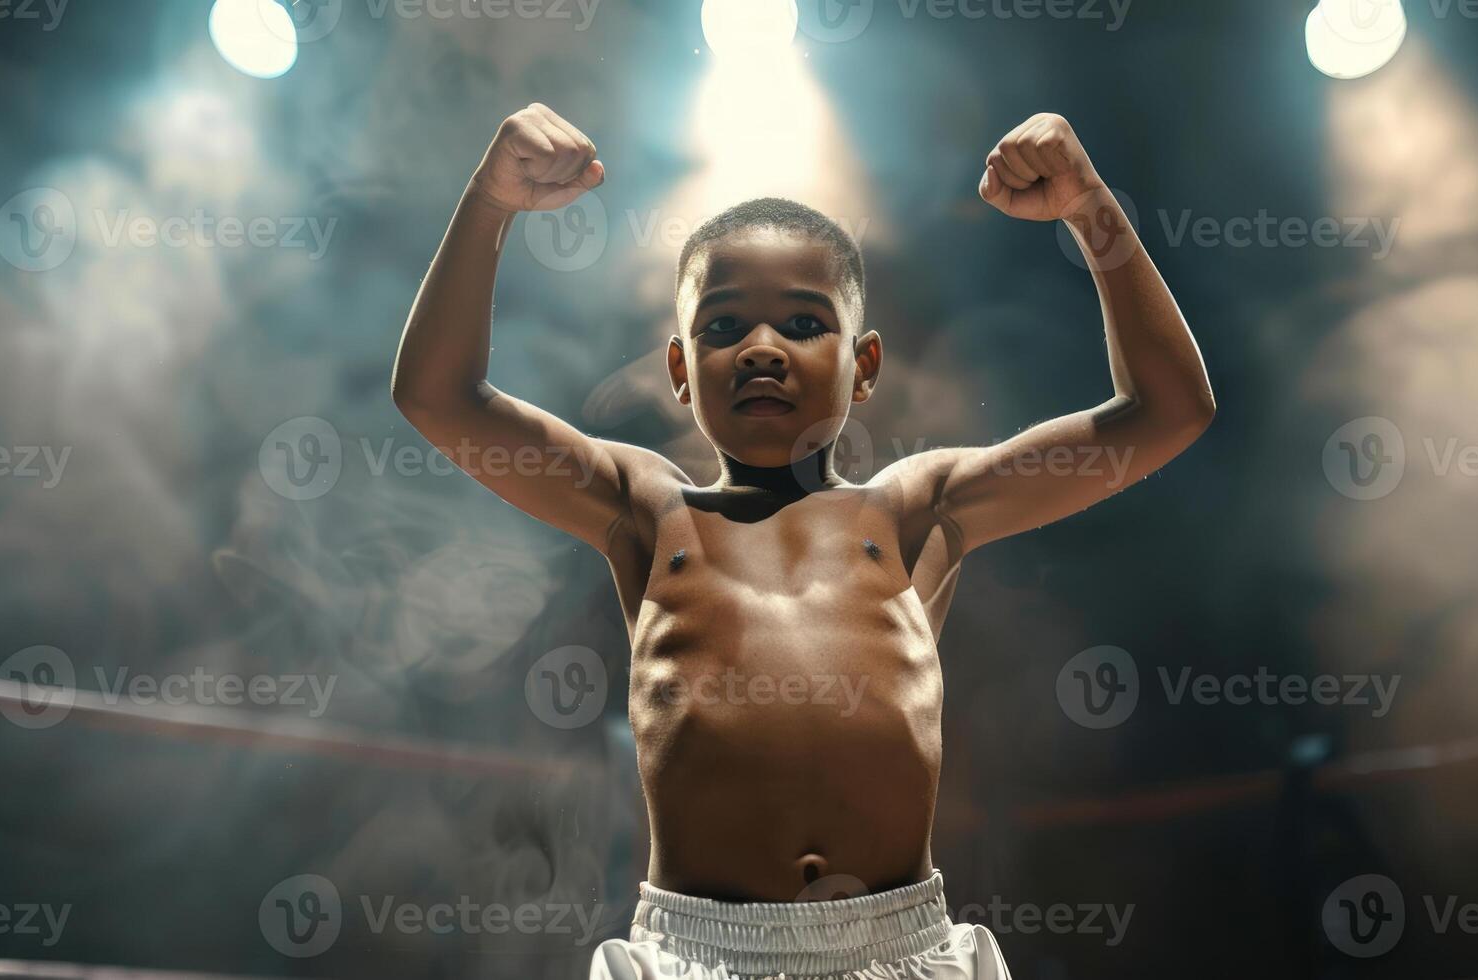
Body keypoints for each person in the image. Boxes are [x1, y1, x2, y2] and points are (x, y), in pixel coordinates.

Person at [391, 102, 1214, 979]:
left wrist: (1090, 206)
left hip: (901, 948)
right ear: (679, 369)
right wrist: (488, 200)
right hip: (695, 955)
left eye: (803, 322)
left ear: (863, 366)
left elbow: (1167, 411)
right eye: (720, 327)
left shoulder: (916, 511)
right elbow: (439, 396)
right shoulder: (646, 507)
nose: (759, 348)